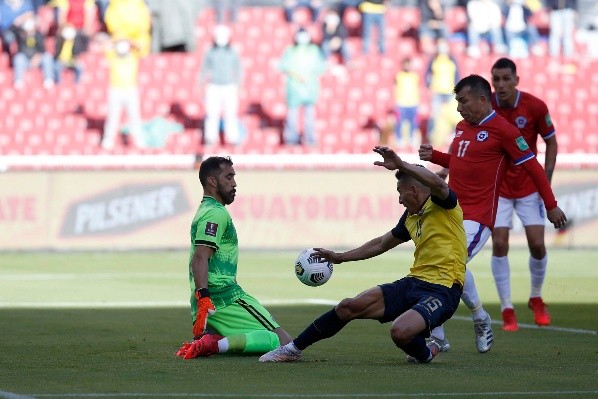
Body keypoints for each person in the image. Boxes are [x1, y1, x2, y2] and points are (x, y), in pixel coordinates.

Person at [259, 146, 466, 364]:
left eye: (400, 192)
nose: (399, 200)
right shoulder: (410, 217)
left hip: (444, 289)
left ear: (414, 190)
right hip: (414, 282)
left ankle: (424, 353)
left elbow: (440, 184)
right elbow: (380, 244)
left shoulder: (443, 205)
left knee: (400, 331)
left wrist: (402, 164)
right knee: (348, 306)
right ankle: (292, 349)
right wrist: (340, 257)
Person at [419, 74, 567, 353]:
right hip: (450, 211)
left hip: (477, 215)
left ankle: (445, 332)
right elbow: (460, 162)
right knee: (441, 266)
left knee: (447, 264)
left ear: (482, 99)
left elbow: (533, 167)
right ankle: (475, 318)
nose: (460, 107)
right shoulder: (463, 126)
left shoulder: (505, 130)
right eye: (457, 102)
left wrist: (551, 204)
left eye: (463, 101)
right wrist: (435, 156)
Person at [176, 156, 293, 359]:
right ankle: (216, 344)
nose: (234, 183)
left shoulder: (205, 210)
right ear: (212, 181)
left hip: (207, 304)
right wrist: (204, 298)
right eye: (228, 177)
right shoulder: (216, 214)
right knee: (287, 344)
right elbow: (200, 257)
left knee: (249, 338)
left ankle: (215, 338)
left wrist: (201, 300)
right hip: (225, 298)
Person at [489, 58, 558, 331]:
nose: (501, 84)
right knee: (500, 243)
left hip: (529, 186)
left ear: (517, 80)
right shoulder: (486, 107)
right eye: (496, 79)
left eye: (506, 79)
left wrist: (547, 180)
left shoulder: (535, 106)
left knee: (537, 245)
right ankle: (507, 308)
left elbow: (551, 141)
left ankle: (536, 297)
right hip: (499, 188)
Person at [279, 27, 326, 145]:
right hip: (294, 86)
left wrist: (308, 77)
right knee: (292, 115)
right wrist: (297, 76)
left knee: (309, 115)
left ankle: (310, 138)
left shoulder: (314, 50)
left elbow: (320, 67)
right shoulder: (290, 50)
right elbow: (285, 66)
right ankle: (291, 139)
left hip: (310, 87)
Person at [200, 24, 243, 146]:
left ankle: (233, 139)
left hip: (229, 86)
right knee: (212, 114)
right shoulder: (210, 51)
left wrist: (239, 85)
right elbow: (204, 69)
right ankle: (210, 138)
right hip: (214, 86)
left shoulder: (233, 51)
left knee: (231, 113)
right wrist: (202, 84)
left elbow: (238, 69)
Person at [100, 38, 145, 150]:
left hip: (130, 89)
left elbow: (141, 47)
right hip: (115, 89)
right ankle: (108, 139)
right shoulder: (113, 56)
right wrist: (116, 41)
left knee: (134, 116)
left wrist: (129, 41)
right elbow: (104, 46)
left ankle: (138, 140)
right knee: (113, 116)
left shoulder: (133, 56)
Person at [11, 15, 54, 89]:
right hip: (26, 60)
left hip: (37, 59)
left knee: (47, 57)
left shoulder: (38, 35)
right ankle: (18, 80)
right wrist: (21, 19)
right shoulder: (20, 34)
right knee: (18, 58)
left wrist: (37, 58)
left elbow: (42, 50)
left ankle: (48, 79)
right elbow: (11, 30)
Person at [393, 57, 420, 148]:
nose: (407, 66)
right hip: (402, 102)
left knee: (413, 122)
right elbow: (395, 87)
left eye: (409, 64)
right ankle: (399, 138)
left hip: (413, 102)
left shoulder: (415, 75)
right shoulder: (399, 75)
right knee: (400, 121)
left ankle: (412, 138)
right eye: (406, 64)